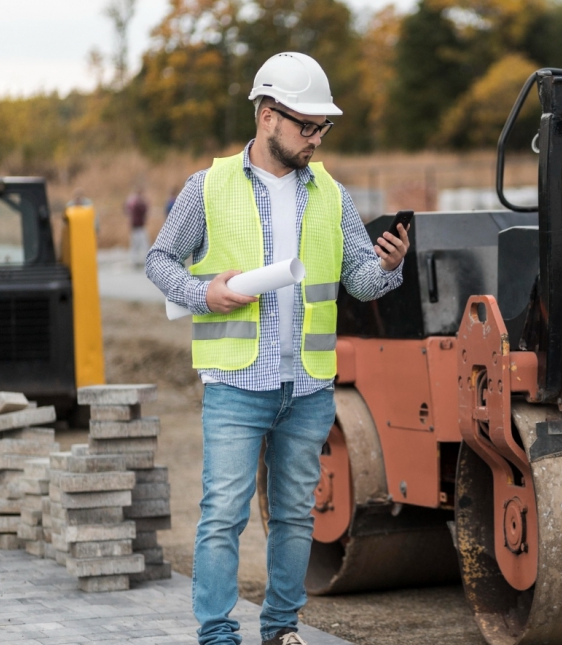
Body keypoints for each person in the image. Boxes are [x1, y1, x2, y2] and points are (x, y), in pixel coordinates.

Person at [145, 52, 410, 645]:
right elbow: (158, 260)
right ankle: (217, 634)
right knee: (223, 517)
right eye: (306, 126)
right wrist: (200, 293)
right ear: (268, 117)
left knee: (294, 517)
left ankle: (281, 629)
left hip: (308, 385)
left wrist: (388, 266)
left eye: (323, 127)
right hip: (236, 383)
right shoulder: (207, 187)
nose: (317, 138)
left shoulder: (332, 195)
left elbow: (359, 281)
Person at [125, 186, 149, 266]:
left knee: (143, 244)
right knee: (136, 245)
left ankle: (143, 260)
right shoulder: (135, 202)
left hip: (139, 226)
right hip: (136, 227)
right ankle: (134, 260)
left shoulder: (133, 202)